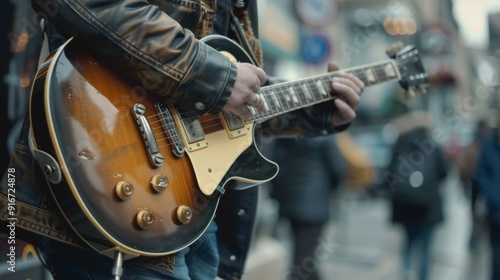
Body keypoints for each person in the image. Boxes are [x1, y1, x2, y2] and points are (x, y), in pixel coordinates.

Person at [0, 1, 365, 279]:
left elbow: (228, 110)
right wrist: (213, 76)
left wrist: (315, 113)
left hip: (191, 214)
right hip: (110, 187)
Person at [270, 135, 346, 280]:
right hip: (315, 205)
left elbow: (274, 166)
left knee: (304, 255)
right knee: (304, 258)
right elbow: (338, 169)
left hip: (290, 201)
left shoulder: (286, 134)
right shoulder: (324, 135)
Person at [385, 112, 449, 280]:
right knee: (426, 248)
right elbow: (444, 173)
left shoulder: (399, 144)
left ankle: (407, 271)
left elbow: (390, 175)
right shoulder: (432, 146)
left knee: (408, 242)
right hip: (429, 206)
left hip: (405, 204)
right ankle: (423, 277)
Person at [456, 119, 490, 249]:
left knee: (475, 212)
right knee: (480, 212)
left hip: (474, 185)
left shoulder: (473, 144)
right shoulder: (487, 144)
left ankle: (475, 236)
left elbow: (462, 167)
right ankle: (477, 236)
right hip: (479, 186)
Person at [474, 114, 500, 280]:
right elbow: (480, 175)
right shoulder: (490, 145)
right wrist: (493, 196)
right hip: (496, 213)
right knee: (496, 259)